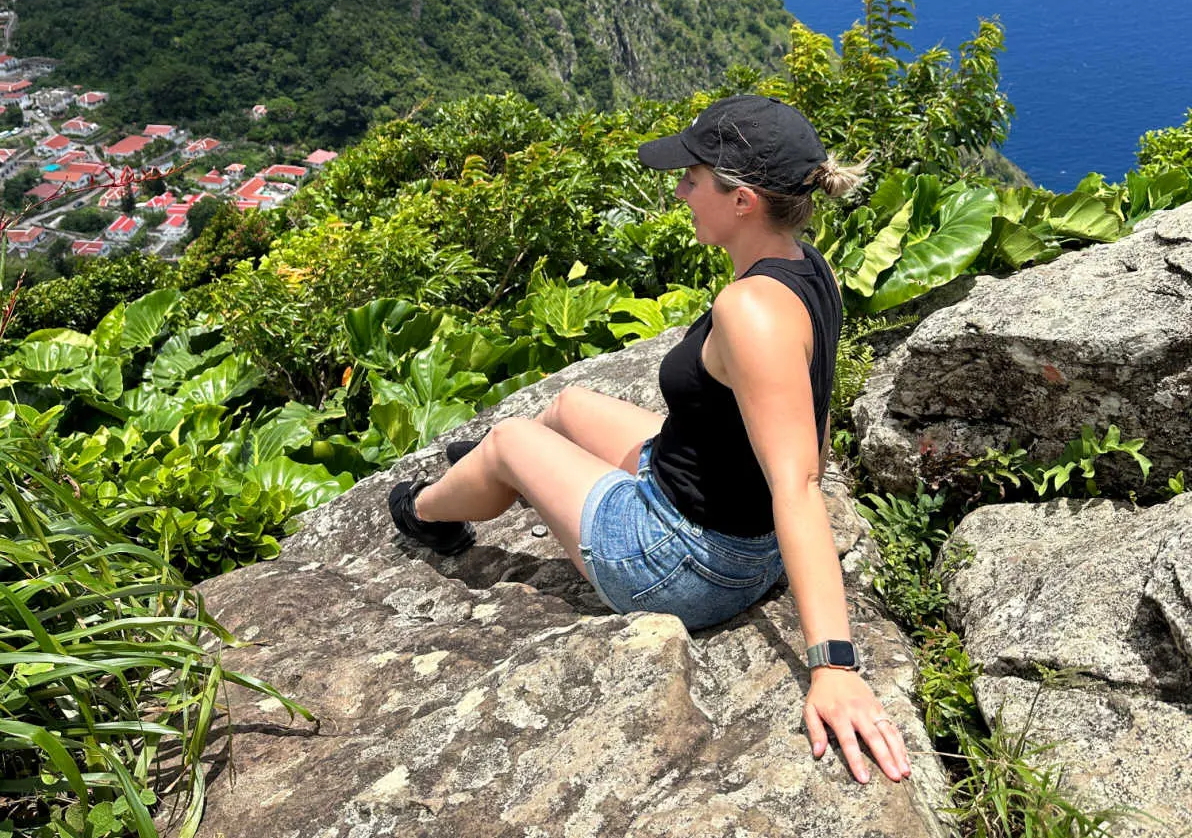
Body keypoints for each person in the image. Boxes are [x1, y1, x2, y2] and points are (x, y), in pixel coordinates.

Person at [388, 95, 911, 785]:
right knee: (570, 404)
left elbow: (799, 480)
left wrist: (835, 665)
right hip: (711, 505)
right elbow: (805, 426)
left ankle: (428, 511)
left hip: (687, 560)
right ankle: (497, 471)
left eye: (693, 177)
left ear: (744, 200)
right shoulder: (806, 265)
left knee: (513, 436)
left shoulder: (749, 309)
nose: (679, 189)